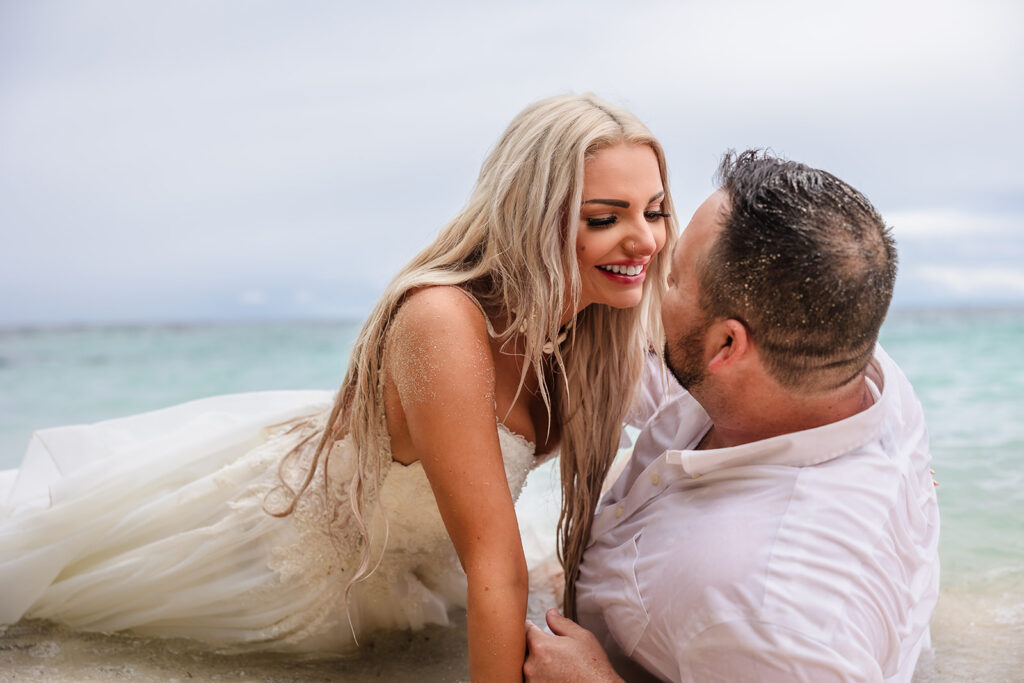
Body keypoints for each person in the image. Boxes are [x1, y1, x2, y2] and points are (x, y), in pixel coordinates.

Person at [0, 94, 679, 681]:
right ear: (533, 214)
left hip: (415, 573)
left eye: (655, 210)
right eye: (604, 216)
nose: (643, 240)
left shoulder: (594, 333)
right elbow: (493, 564)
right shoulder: (441, 320)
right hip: (285, 561)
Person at [524, 150, 940, 682]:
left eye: (672, 280)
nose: (653, 259)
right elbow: (651, 378)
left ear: (726, 345)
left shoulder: (770, 607)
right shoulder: (838, 357)